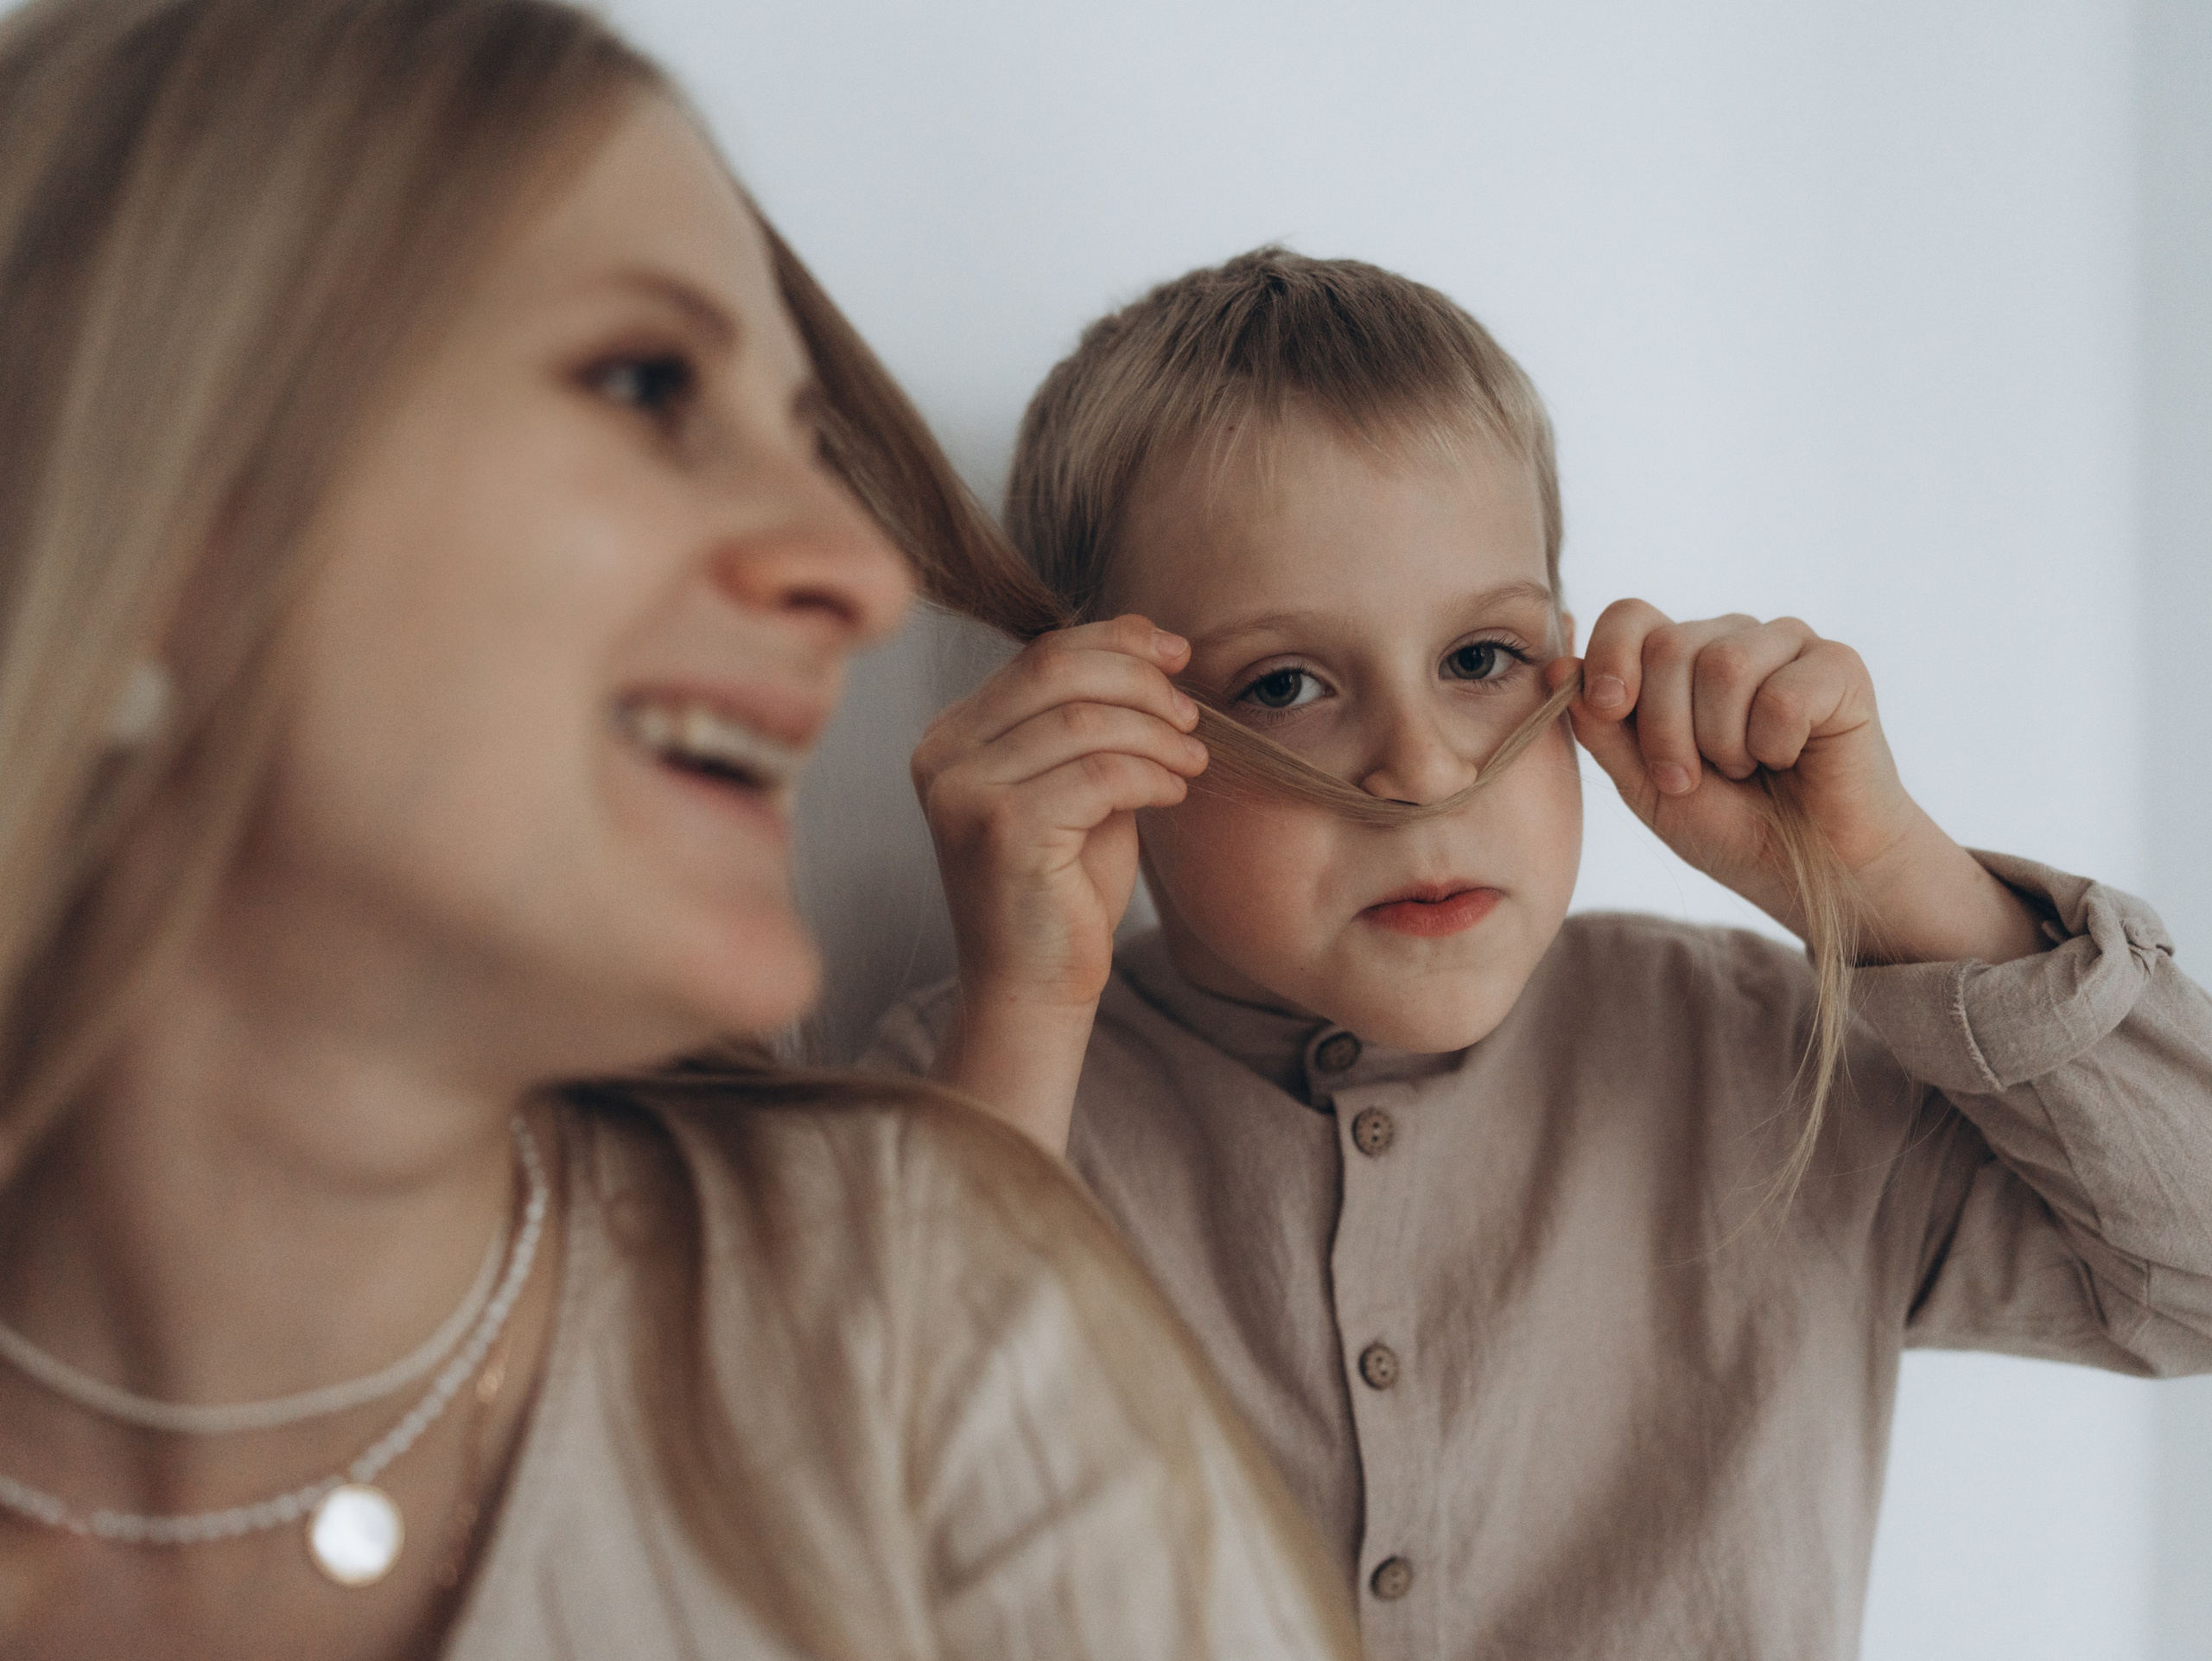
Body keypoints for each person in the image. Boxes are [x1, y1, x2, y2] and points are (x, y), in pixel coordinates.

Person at [0, 7, 1363, 1658]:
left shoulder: (931, 1324)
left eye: (808, 443)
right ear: (148, 503)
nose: (860, 577)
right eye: (645, 383)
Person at [868, 245, 2212, 1658]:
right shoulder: (976, 1087)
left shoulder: (1769, 1050)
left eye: (1479, 659)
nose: (1424, 770)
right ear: (1097, 726)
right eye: (1287, 683)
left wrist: (1885, 880)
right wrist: (1027, 1007)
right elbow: (856, 1548)